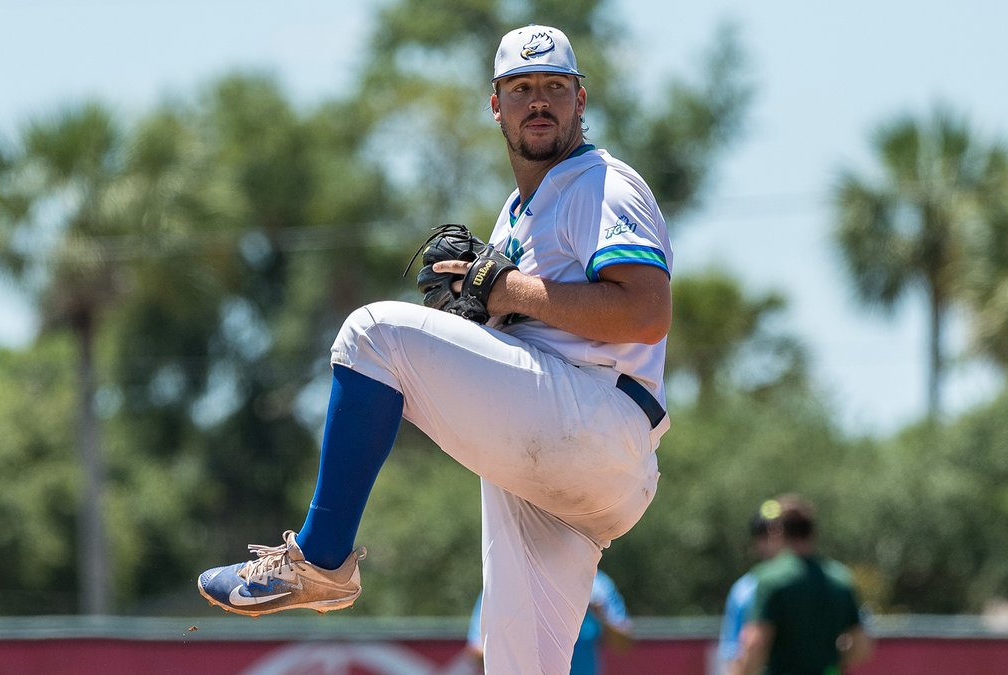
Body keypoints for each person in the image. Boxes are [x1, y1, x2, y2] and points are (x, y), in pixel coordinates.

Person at [196, 23, 672, 675]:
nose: (540, 101)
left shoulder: (602, 182)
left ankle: (322, 558)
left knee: (372, 336)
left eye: (555, 87)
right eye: (522, 87)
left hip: (600, 416)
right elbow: (526, 316)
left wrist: (506, 289)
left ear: (581, 101)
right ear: (495, 104)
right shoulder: (516, 211)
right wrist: (486, 315)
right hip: (560, 468)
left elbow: (645, 312)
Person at [731, 494, 873, 675]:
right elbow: (861, 649)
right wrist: (826, 656)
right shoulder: (840, 580)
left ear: (777, 531)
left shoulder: (771, 579)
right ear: (813, 533)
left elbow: (755, 644)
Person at [465, 569, 633, 675]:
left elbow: (624, 644)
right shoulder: (507, 582)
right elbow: (476, 651)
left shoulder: (598, 585)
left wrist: (599, 614)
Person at [717, 499, 784, 674]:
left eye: (779, 533)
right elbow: (733, 651)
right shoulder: (743, 590)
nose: (772, 541)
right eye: (763, 534)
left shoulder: (817, 581)